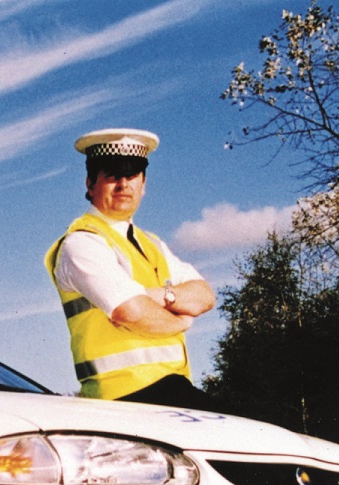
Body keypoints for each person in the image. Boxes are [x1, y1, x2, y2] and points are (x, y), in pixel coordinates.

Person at [44, 128, 218, 410]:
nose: (123, 184)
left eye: (132, 174)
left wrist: (159, 296)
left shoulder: (153, 244)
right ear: (90, 184)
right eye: (112, 175)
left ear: (143, 184)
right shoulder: (82, 242)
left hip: (172, 390)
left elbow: (205, 295)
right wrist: (182, 322)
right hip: (122, 400)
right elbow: (131, 312)